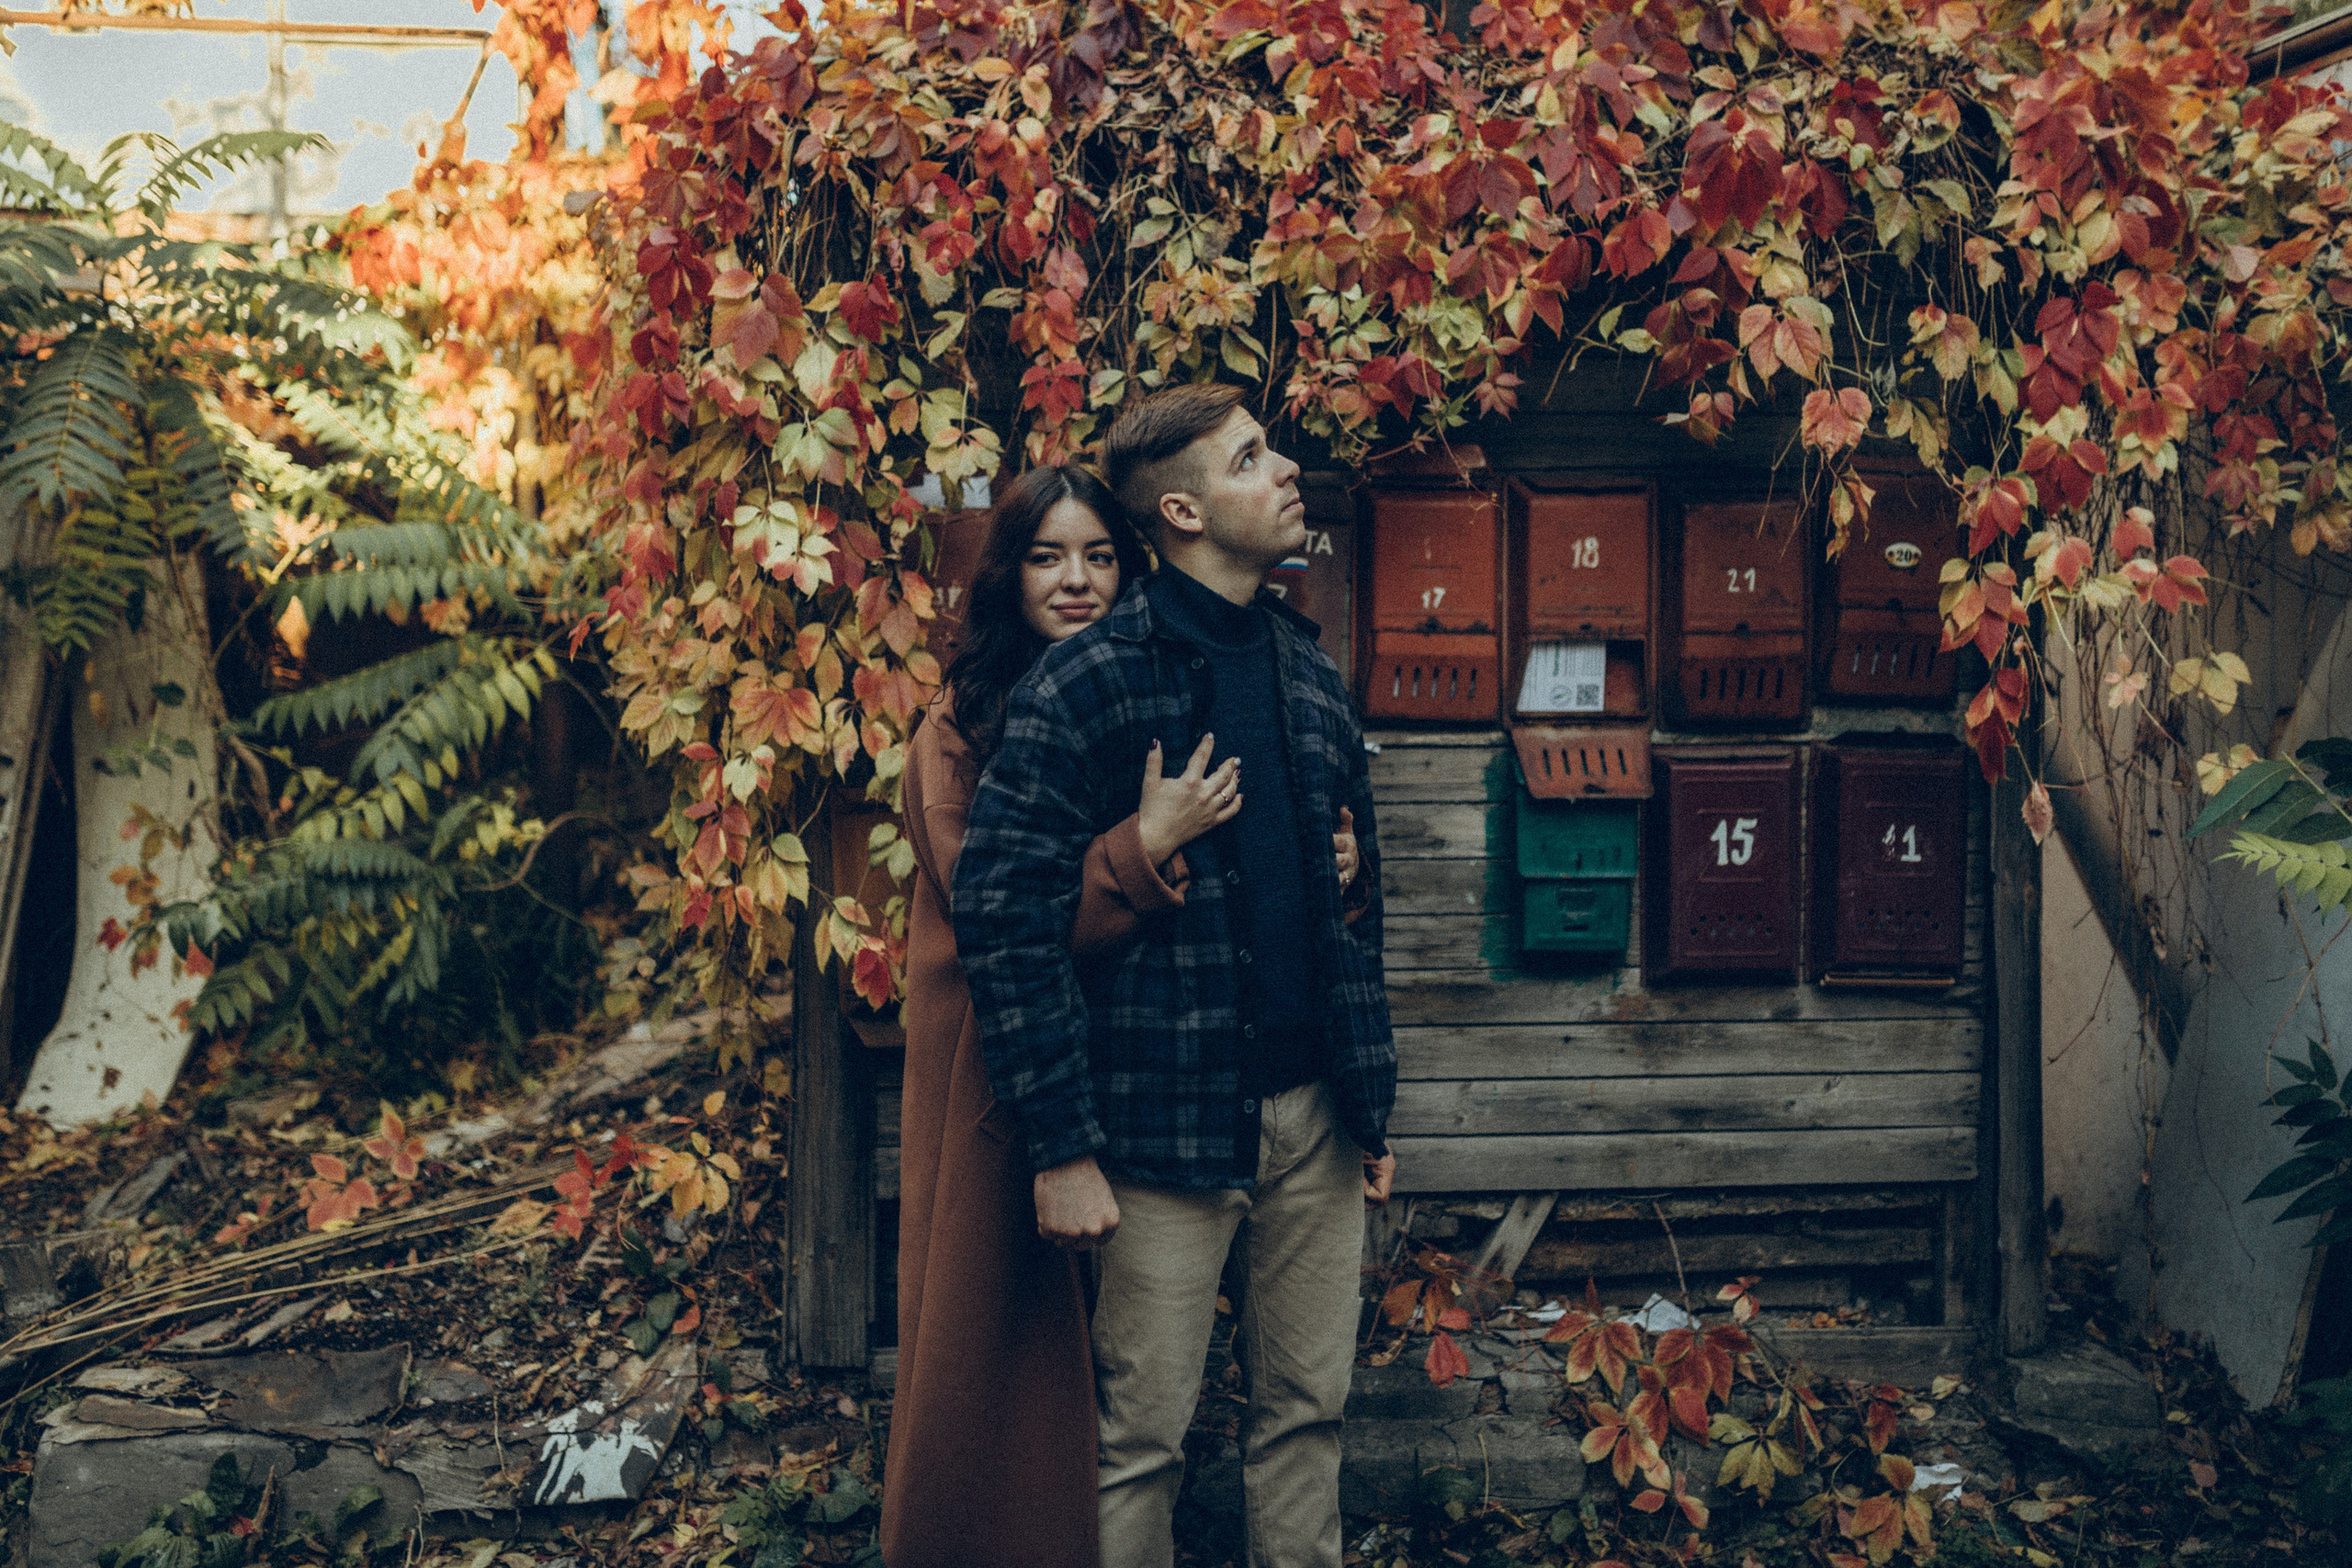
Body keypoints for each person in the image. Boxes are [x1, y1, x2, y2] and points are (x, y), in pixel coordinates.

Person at [954, 384, 1396, 1568]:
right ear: (1188, 510)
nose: (1287, 469)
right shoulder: (1089, 682)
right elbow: (998, 914)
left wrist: (1369, 1101)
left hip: (1315, 1126)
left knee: (1307, 1416)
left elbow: (1355, 906)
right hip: (1160, 1130)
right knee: (1138, 1441)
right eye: (1254, 459)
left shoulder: (1308, 675)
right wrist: (1061, 1145)